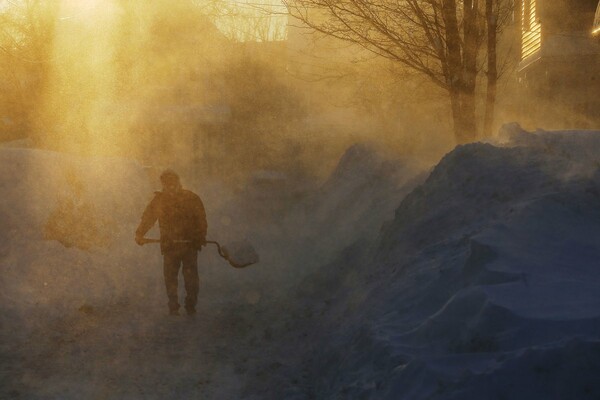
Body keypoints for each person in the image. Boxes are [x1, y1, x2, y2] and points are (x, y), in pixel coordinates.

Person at [135, 169, 207, 316]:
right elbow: (148, 218)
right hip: (170, 246)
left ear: (178, 182)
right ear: (163, 184)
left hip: (189, 245)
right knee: (171, 278)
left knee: (189, 278)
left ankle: (190, 304)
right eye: (167, 184)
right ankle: (174, 304)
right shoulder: (160, 200)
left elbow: (201, 220)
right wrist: (140, 233)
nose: (170, 186)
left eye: (172, 183)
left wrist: (200, 236)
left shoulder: (191, 198)